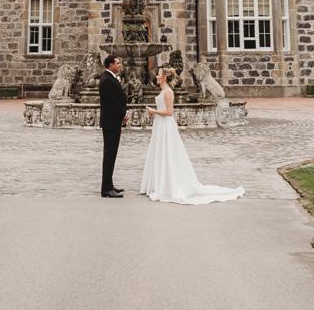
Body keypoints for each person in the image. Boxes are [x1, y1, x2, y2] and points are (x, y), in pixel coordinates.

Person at [142, 67, 245, 204]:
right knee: (160, 151)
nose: (156, 77)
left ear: (164, 77)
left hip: (166, 125)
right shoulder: (163, 90)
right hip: (160, 125)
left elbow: (169, 112)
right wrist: (154, 112)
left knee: (167, 151)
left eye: (158, 75)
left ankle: (167, 185)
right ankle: (159, 182)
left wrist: (153, 111)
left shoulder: (168, 92)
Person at [99, 54, 128, 198]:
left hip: (113, 122)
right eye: (117, 63)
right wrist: (124, 114)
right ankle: (106, 189)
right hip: (110, 123)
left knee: (111, 155)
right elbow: (112, 102)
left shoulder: (110, 78)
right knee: (109, 155)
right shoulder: (106, 80)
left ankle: (109, 185)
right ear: (110, 65)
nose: (119, 65)